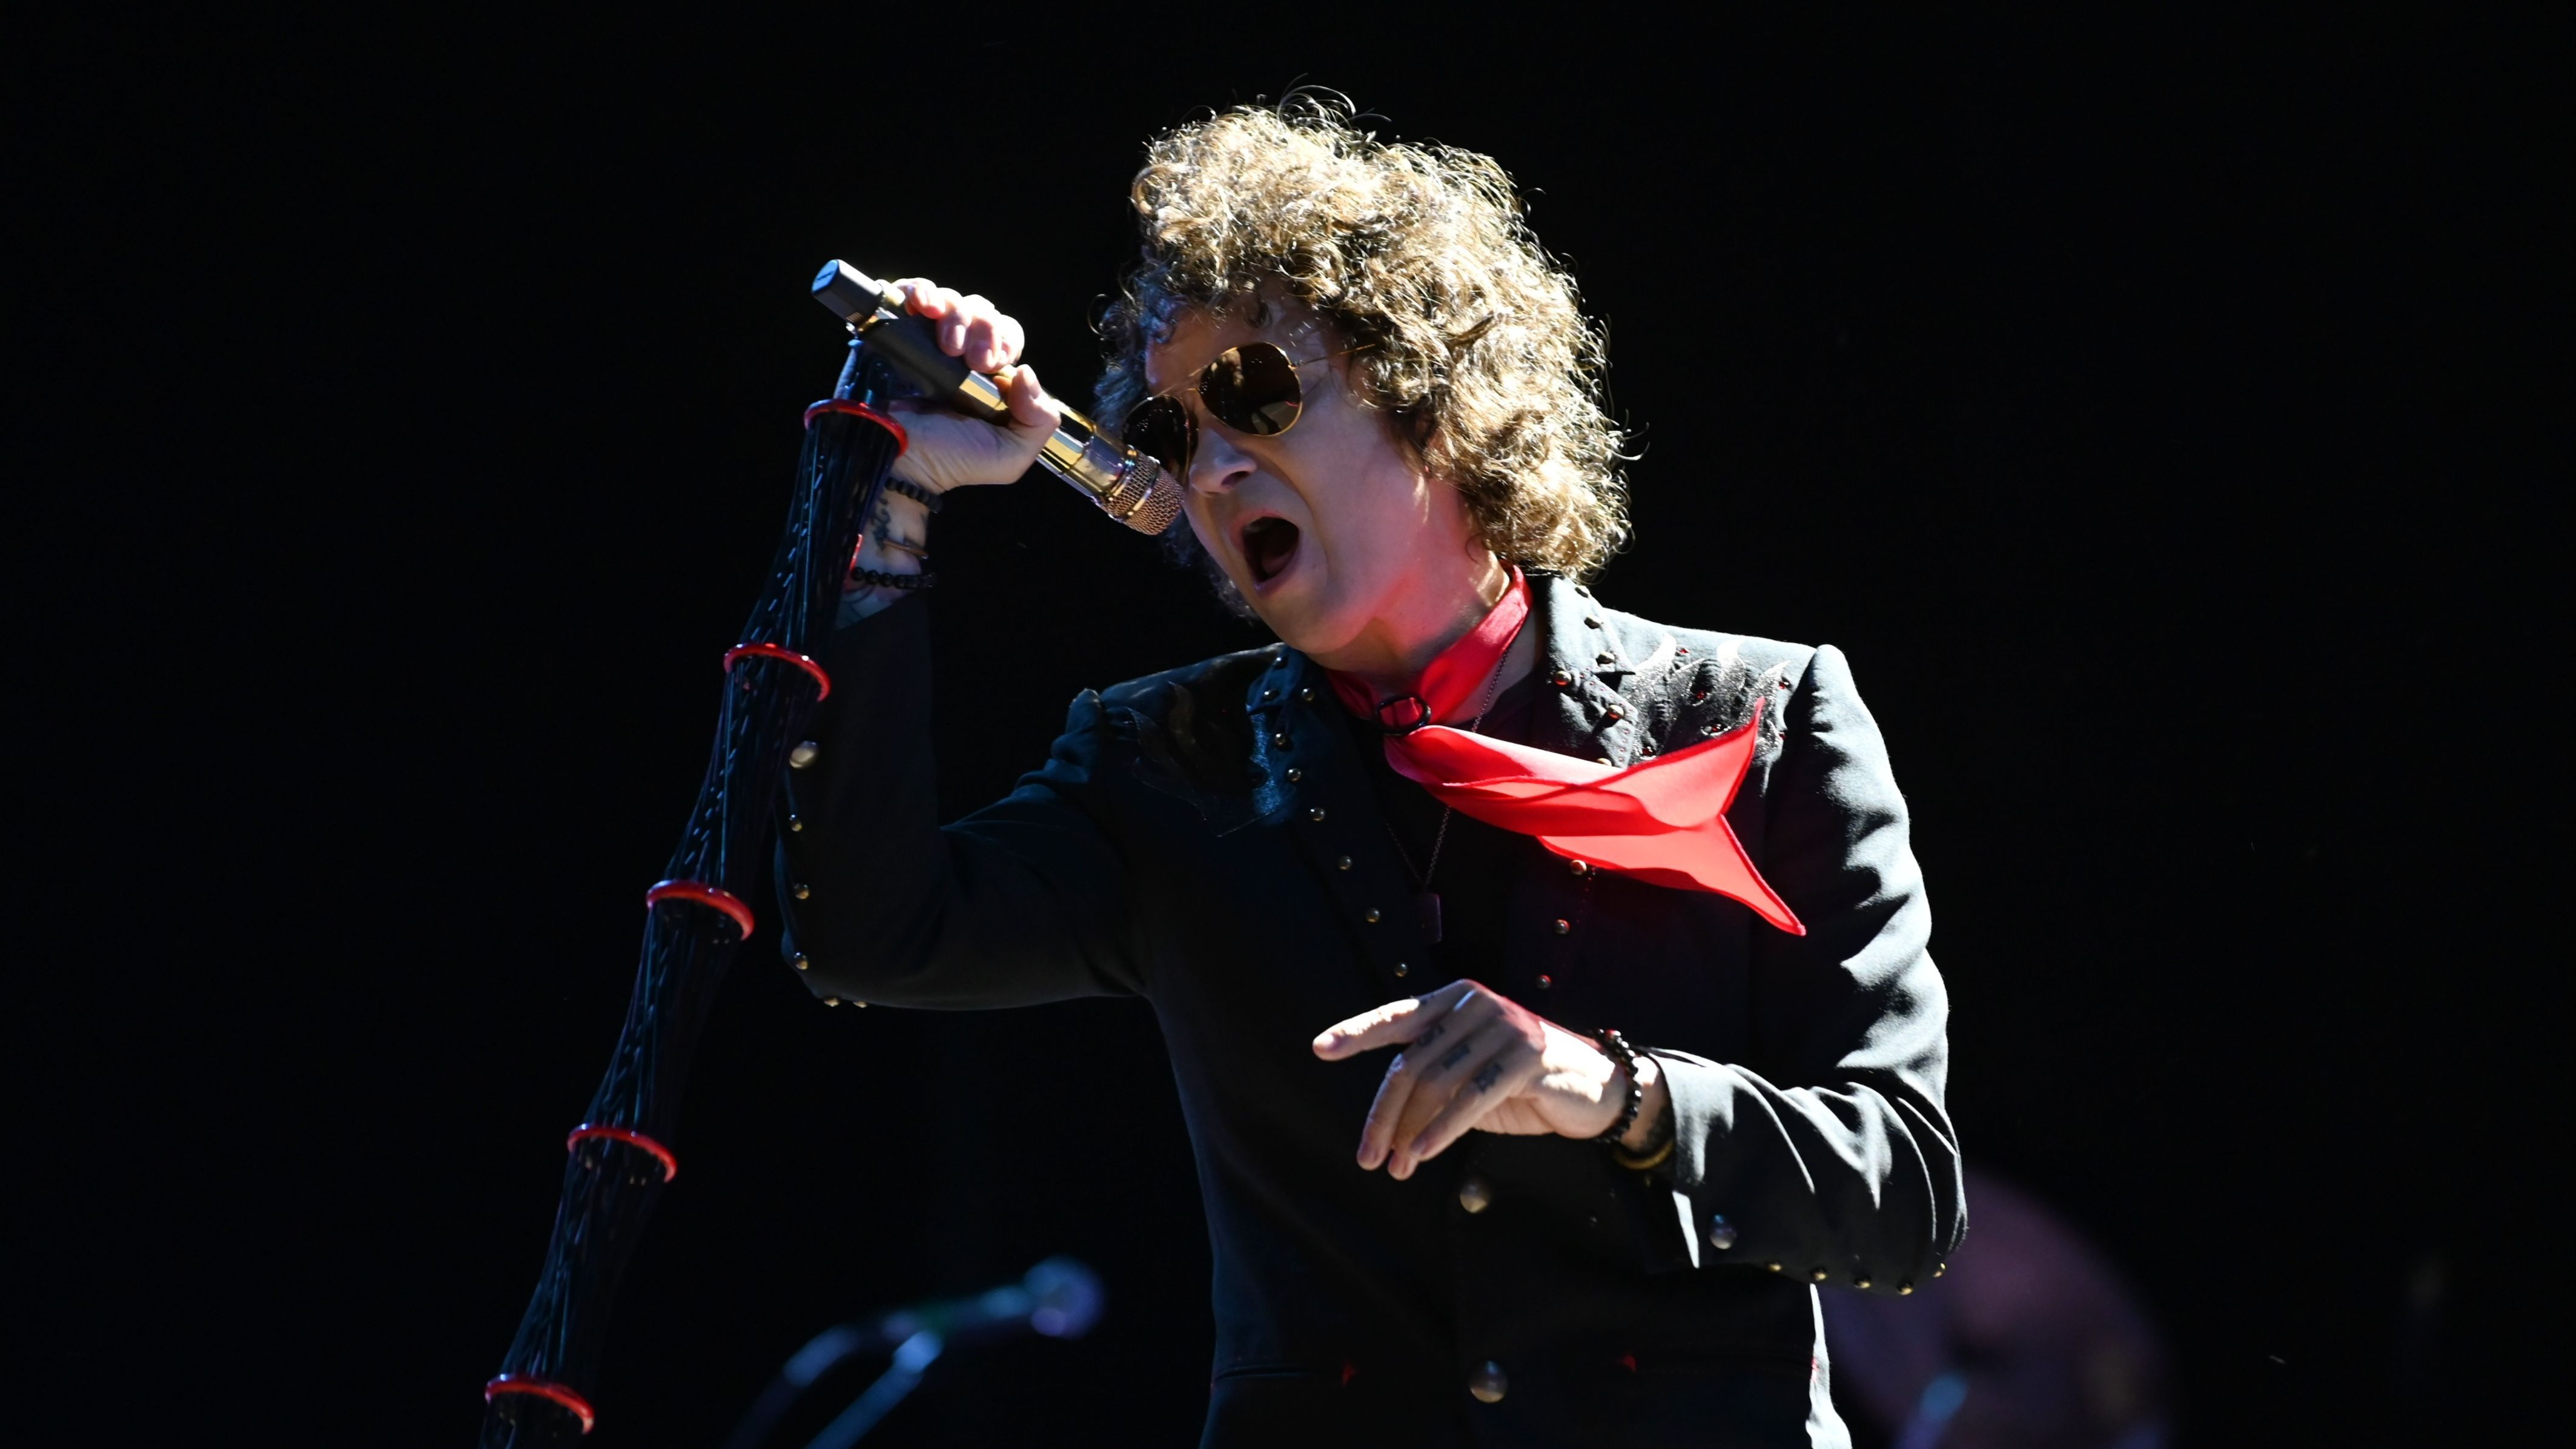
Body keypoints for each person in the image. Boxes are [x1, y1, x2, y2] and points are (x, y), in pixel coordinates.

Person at [775, 97, 1963, 1448]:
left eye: (1255, 393)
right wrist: (891, 505)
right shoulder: (1169, 763)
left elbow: (1902, 1193)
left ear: (1431, 393)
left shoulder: (1760, 712)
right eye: (1171, 435)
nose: (1214, 463)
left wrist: (1612, 1090)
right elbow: (867, 933)